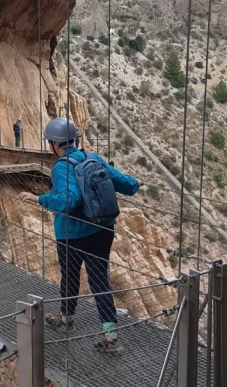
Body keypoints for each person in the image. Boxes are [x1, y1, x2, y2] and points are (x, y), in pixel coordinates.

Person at [18, 117, 139, 353]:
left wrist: (39, 198)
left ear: (54, 144)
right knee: (99, 279)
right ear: (75, 139)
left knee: (70, 276)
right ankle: (111, 336)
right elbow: (121, 180)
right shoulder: (92, 158)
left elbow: (68, 200)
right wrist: (135, 185)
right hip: (102, 230)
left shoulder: (62, 167)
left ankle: (66, 319)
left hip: (72, 234)